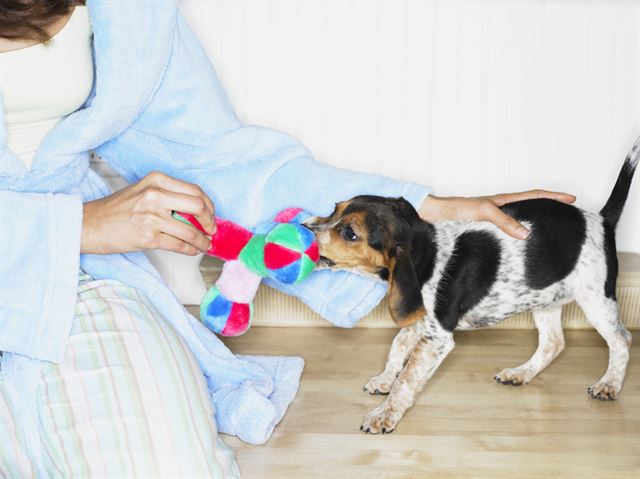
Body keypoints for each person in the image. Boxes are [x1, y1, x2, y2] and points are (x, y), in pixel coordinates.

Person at [0, 1, 575, 476]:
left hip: (70, 277)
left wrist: (424, 209)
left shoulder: (129, 11)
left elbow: (213, 153)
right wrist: (77, 224)